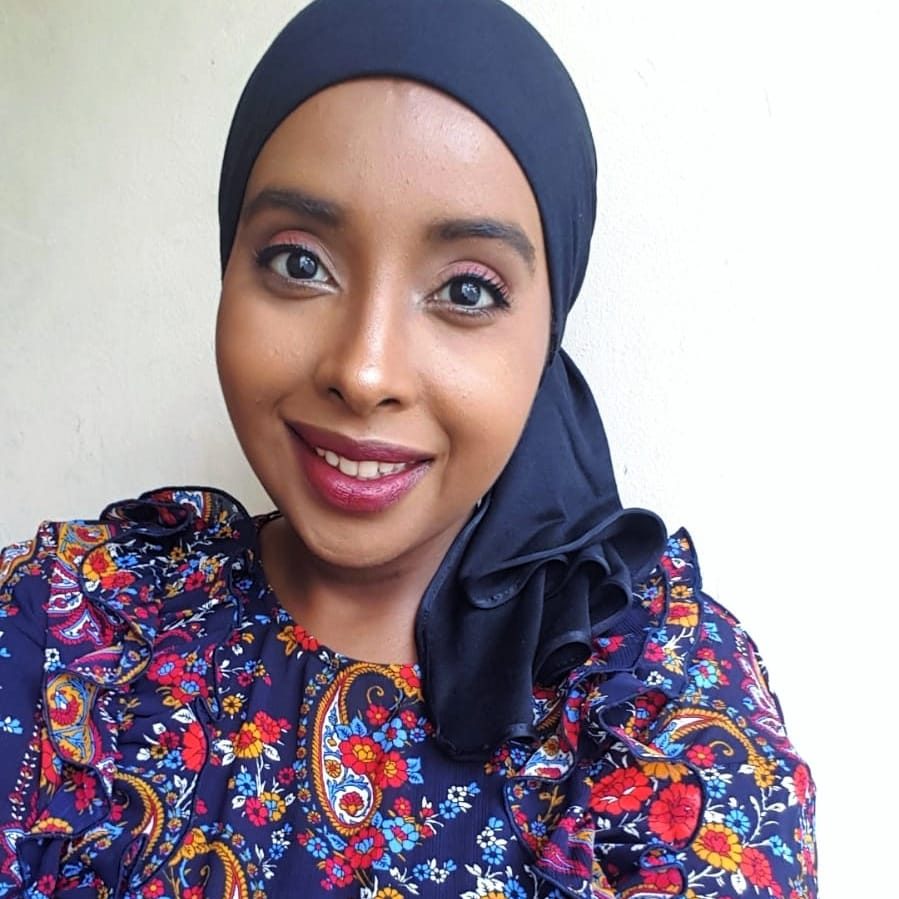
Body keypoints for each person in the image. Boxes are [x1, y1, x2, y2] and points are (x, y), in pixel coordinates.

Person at [0, 0, 816, 896]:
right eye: (300, 263)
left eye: (466, 289)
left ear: (546, 339)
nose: (363, 370)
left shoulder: (662, 715)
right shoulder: (69, 626)